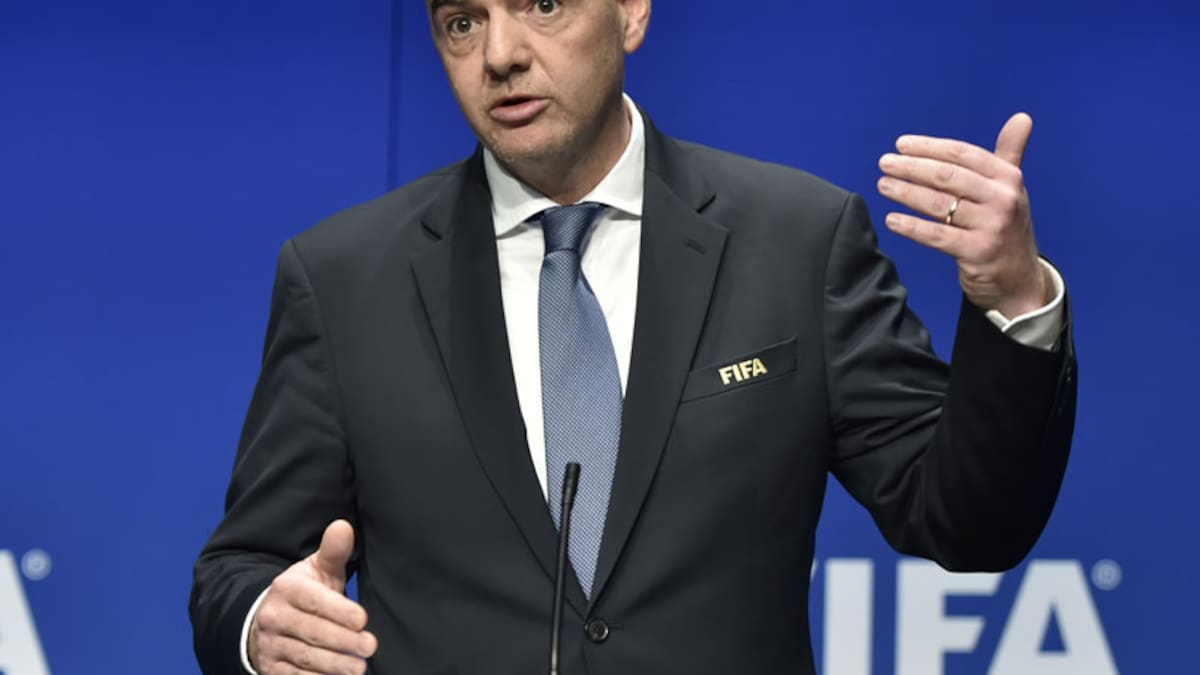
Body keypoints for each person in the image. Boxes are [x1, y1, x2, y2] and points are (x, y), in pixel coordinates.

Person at [189, 1, 1076, 673]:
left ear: (633, 13)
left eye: (542, 4)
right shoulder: (345, 277)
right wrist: (261, 623)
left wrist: (1012, 297)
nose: (500, 55)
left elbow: (967, 522)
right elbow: (242, 566)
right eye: (463, 22)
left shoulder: (797, 241)